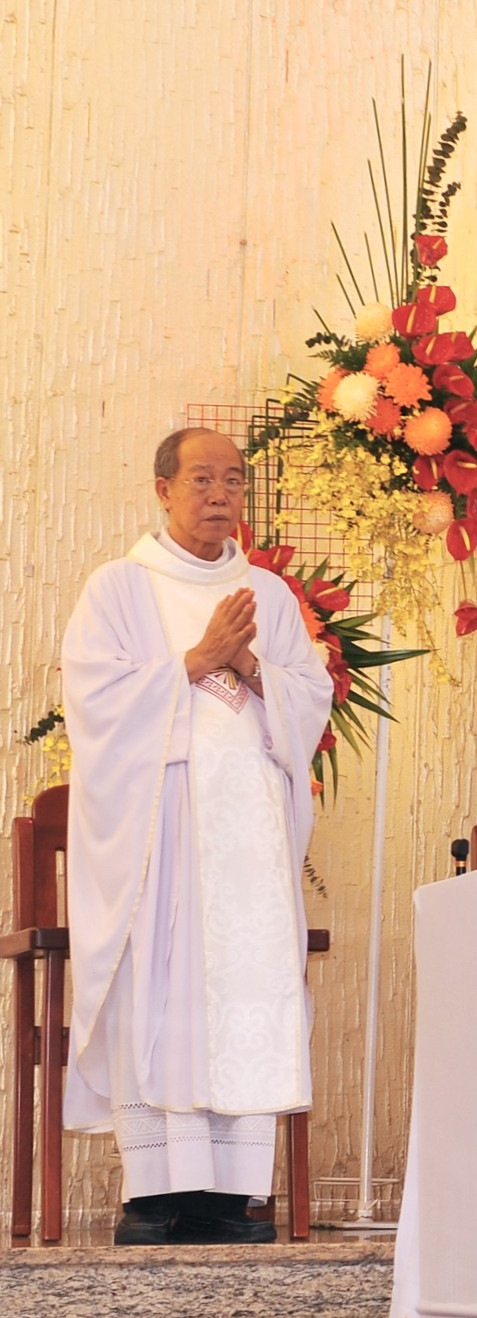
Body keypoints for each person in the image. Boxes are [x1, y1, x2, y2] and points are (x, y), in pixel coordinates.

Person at [61, 427, 333, 1245]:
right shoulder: (119, 587)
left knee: (244, 994)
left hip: (248, 833)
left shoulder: (269, 596)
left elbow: (309, 695)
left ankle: (231, 1192)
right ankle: (156, 1192)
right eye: (202, 478)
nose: (220, 494)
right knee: (164, 988)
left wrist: (248, 666)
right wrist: (196, 657)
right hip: (164, 828)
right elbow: (93, 701)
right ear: (163, 489)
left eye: (233, 480)